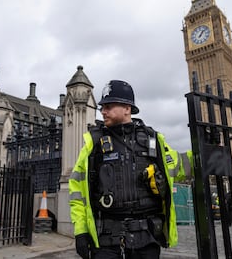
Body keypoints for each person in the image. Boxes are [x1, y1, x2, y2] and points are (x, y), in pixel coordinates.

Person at [69, 80, 184, 259]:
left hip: (146, 239)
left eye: (108, 106)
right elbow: (77, 191)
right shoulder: (94, 143)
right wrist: (81, 231)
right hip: (106, 241)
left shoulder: (152, 139)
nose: (102, 111)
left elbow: (179, 165)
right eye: (102, 107)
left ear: (127, 108)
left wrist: (208, 147)